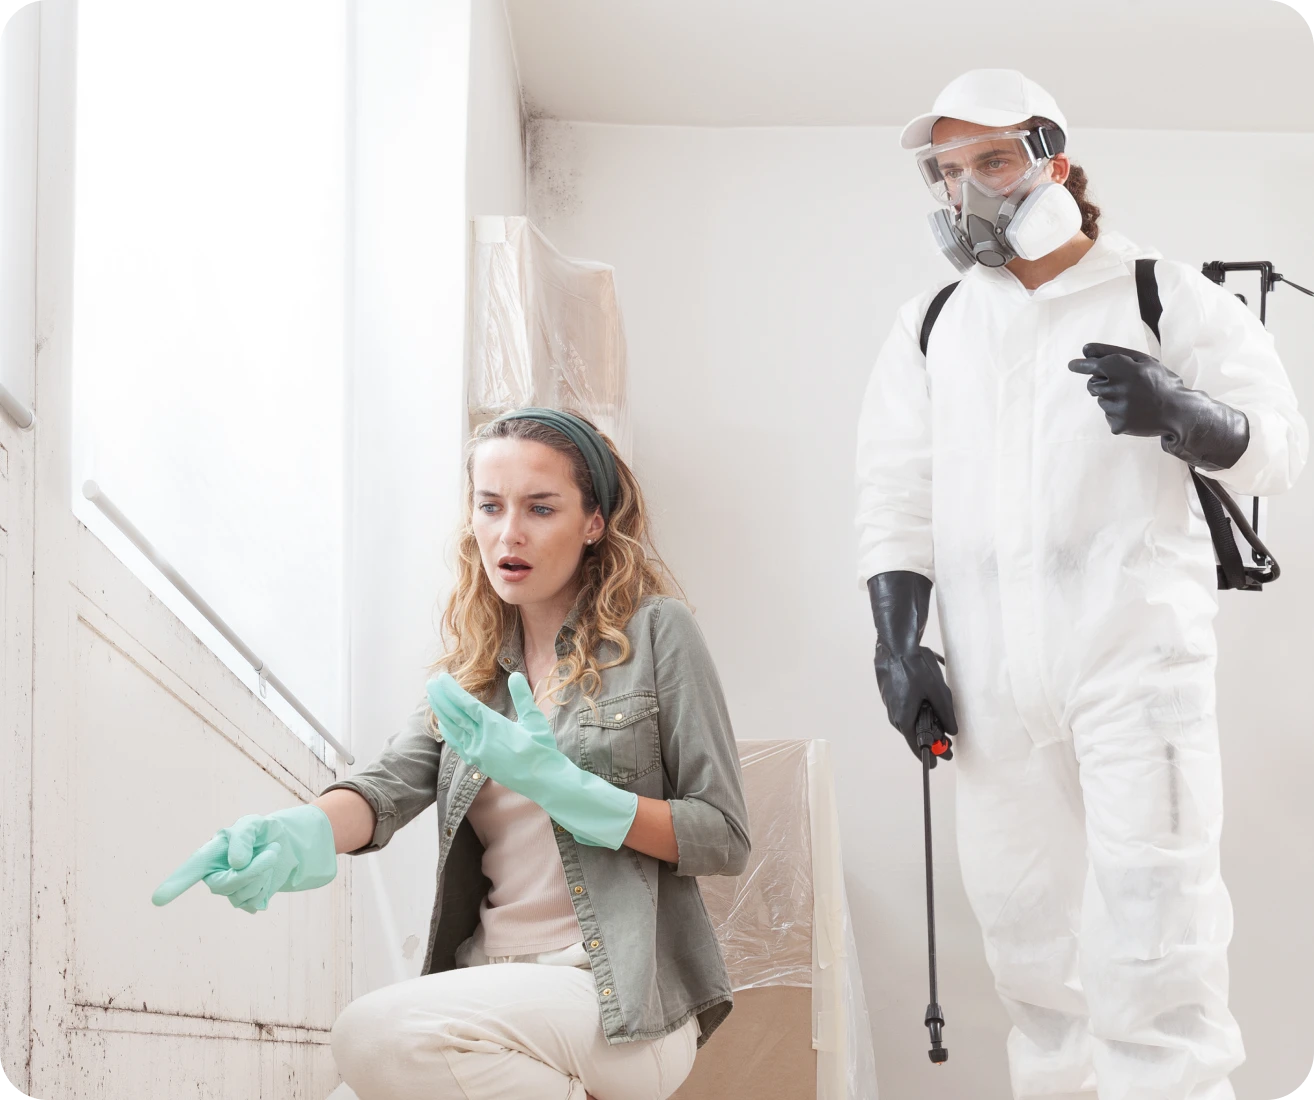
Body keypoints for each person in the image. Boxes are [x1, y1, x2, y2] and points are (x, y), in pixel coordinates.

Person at [856, 69, 1307, 1100]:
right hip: (990, 681)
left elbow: (1276, 445)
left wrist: (1183, 410)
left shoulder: (1159, 289)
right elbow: (893, 492)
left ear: (1053, 157)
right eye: (949, 170)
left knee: (1159, 935)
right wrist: (898, 643)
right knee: (1028, 949)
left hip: (1134, 667)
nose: (970, 190)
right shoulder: (933, 322)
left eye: (996, 160)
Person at [153, 408, 751, 1100]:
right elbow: (387, 786)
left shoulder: (655, 635)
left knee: (371, 1036)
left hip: (613, 1000)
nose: (510, 533)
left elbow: (724, 835)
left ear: (594, 523)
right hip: (486, 985)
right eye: (490, 507)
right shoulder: (473, 673)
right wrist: (304, 828)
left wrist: (575, 793)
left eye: (540, 508)